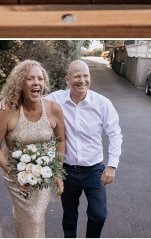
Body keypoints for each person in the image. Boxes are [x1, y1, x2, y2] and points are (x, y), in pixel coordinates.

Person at [0, 60, 66, 238]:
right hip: (17, 180)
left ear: (44, 84)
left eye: (40, 78)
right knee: (29, 219)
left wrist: (58, 172)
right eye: (30, 78)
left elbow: (61, 140)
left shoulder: (53, 109)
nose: (36, 82)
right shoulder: (7, 110)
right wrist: (14, 174)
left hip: (43, 176)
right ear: (20, 84)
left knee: (36, 218)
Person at [48, 61, 122, 238]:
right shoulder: (55, 99)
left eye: (85, 76)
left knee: (98, 215)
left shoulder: (102, 103)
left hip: (94, 170)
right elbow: (31, 99)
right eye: (77, 76)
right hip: (67, 170)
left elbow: (115, 134)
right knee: (69, 216)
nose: (82, 80)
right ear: (67, 80)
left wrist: (112, 165)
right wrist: (9, 100)